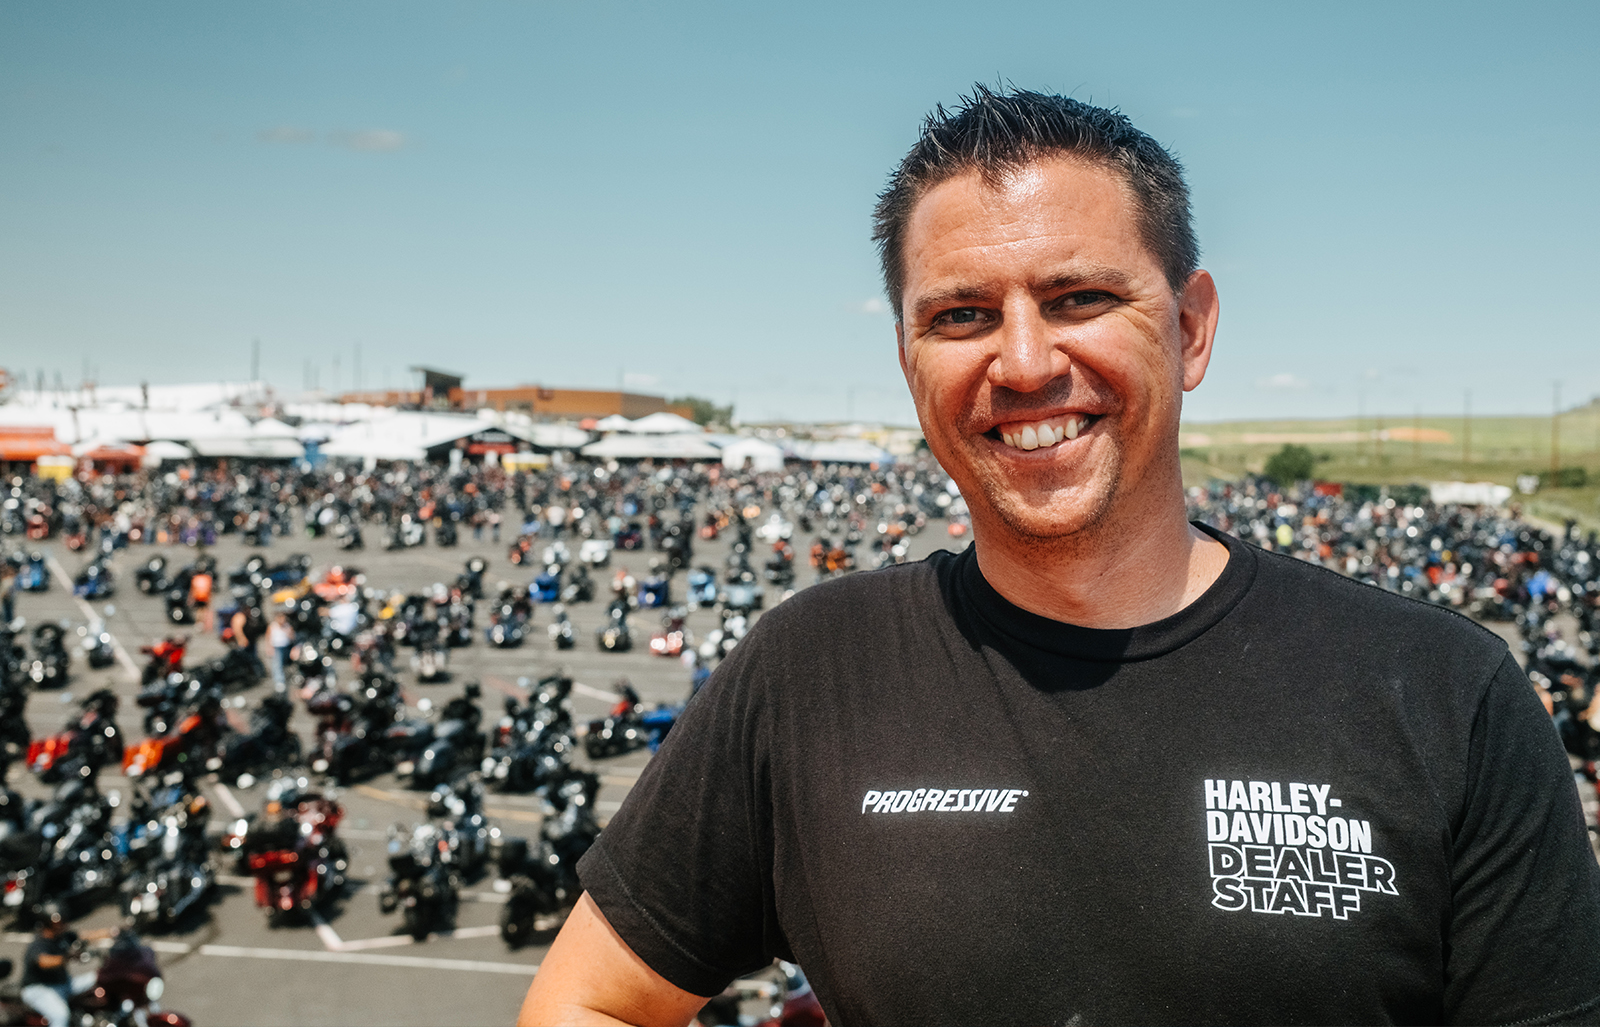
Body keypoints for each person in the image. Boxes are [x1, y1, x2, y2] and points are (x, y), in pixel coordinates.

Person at [520, 86, 1600, 1025]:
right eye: (961, 315)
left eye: (1080, 297)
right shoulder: (810, 669)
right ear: (907, 360)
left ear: (1191, 328)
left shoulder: (1439, 690)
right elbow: (590, 999)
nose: (1025, 362)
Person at [20, 911, 115, 1027]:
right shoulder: (39, 943)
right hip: (40, 989)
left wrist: (112, 932)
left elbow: (85, 935)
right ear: (47, 924)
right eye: (58, 923)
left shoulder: (62, 936)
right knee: (61, 1016)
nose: (64, 924)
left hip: (64, 984)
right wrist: (67, 957)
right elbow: (43, 961)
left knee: (100, 977)